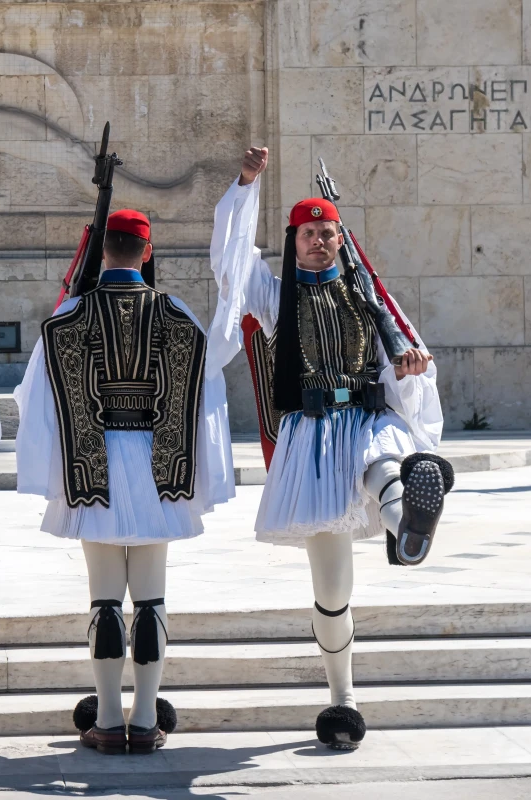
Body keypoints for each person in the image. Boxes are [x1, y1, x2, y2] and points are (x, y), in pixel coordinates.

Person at [206, 147, 449, 750]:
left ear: (341, 239)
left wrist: (410, 368)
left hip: (366, 416)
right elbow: (231, 260)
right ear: (294, 241)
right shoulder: (273, 296)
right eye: (308, 234)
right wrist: (244, 186)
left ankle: (409, 525)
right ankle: (343, 699)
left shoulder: (368, 295)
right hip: (313, 437)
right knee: (333, 591)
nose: (319, 241)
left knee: (385, 464)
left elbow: (402, 359)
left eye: (328, 233)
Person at [15, 209, 235, 754]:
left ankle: (109, 722)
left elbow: (36, 400)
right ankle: (147, 719)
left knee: (106, 602)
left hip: (93, 469)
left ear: (100, 251)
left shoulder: (69, 315)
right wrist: (202, 475)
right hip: (160, 469)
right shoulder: (178, 314)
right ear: (147, 251)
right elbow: (205, 397)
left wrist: (48, 473)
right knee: (151, 600)